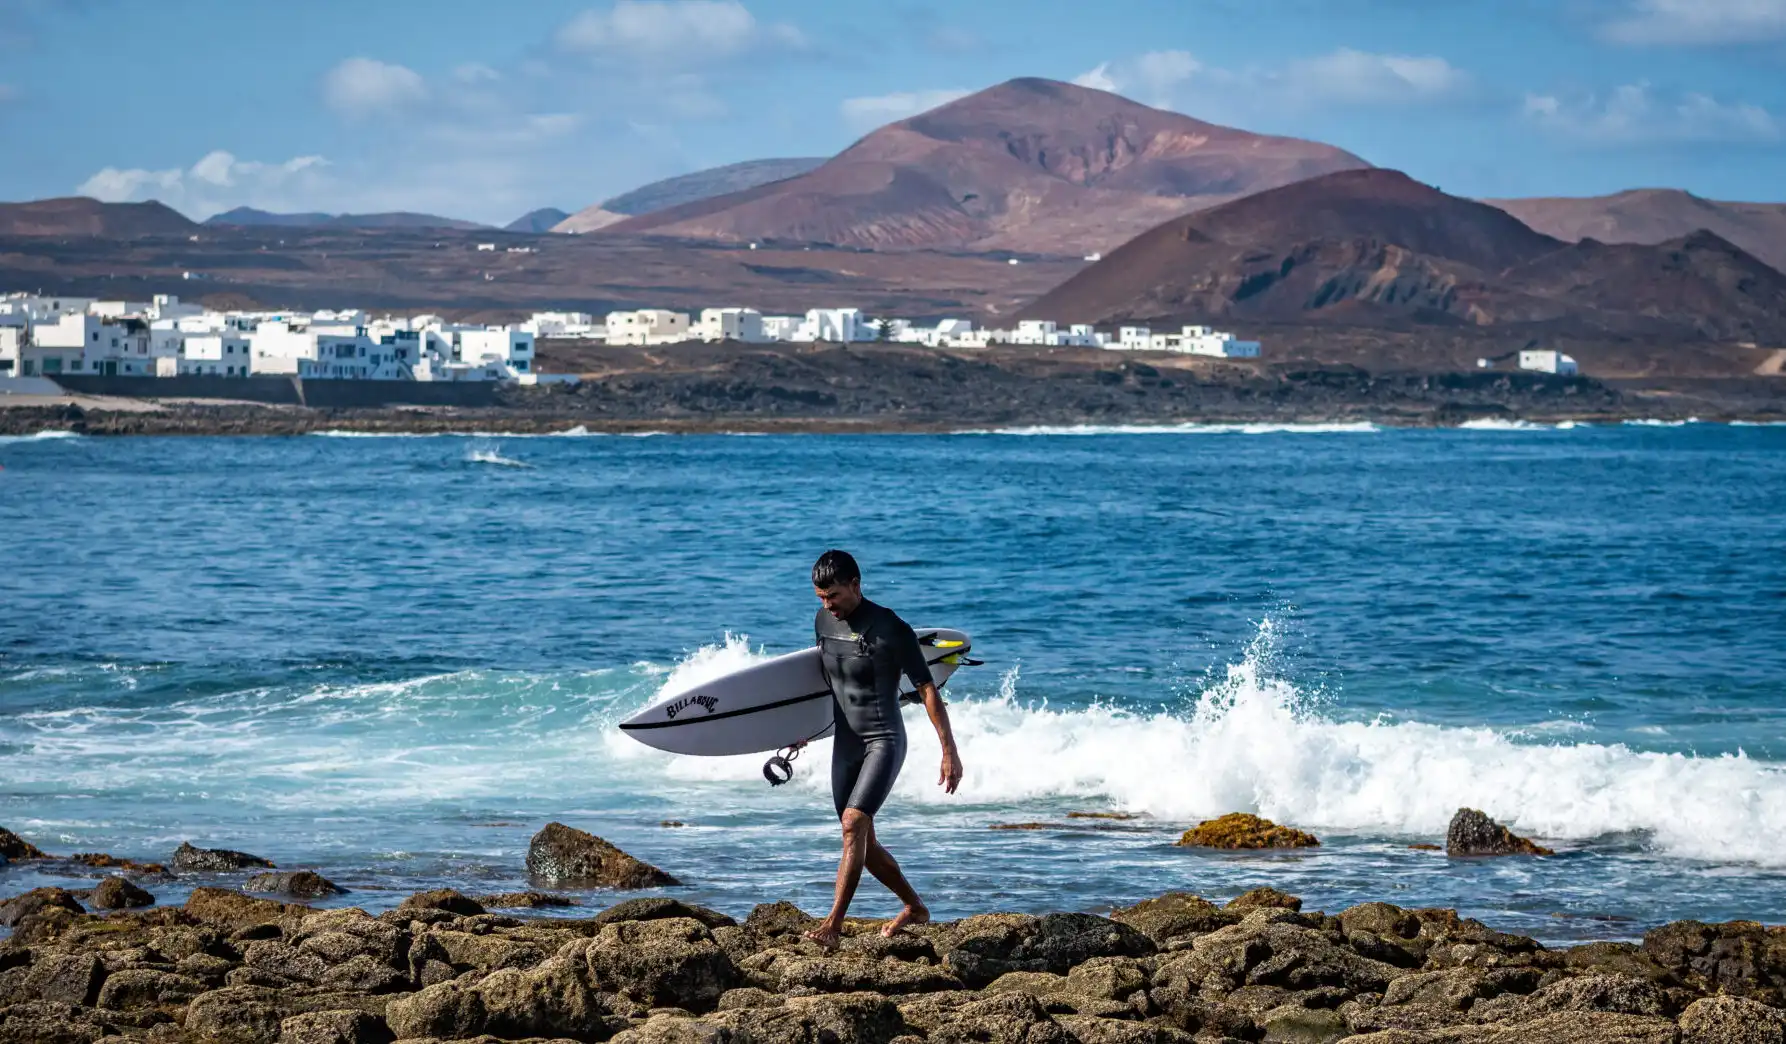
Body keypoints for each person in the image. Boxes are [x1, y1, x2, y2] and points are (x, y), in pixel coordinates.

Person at [801, 549, 962, 946]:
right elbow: (828, 683)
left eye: (834, 596)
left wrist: (949, 752)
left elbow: (926, 688)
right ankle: (915, 908)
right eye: (821, 597)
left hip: (884, 740)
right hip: (846, 742)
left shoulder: (890, 627)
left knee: (853, 823)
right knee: (862, 839)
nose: (827, 605)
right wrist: (801, 729)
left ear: (855, 585)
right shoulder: (823, 621)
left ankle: (833, 927)